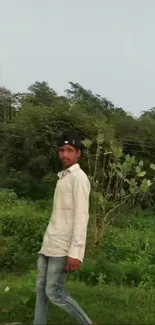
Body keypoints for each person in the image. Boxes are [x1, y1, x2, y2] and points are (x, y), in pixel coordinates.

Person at [33, 130, 93, 325]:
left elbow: (81, 217)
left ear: (78, 153)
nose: (64, 154)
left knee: (54, 292)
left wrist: (75, 252)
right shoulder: (63, 177)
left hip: (63, 246)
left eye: (69, 150)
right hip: (50, 242)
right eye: (61, 150)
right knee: (41, 288)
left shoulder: (79, 179)